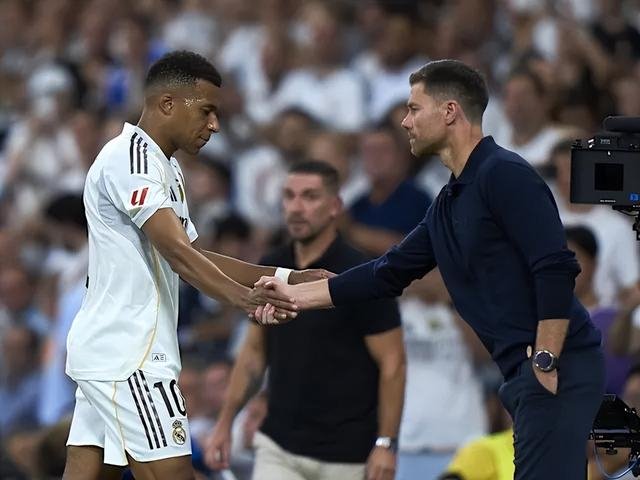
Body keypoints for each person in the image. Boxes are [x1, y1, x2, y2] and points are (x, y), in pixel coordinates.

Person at [254, 60, 605, 480]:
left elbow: (555, 266)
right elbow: (386, 273)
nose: (405, 122)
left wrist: (545, 360)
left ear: (450, 111)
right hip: (526, 372)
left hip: (556, 364)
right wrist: (293, 294)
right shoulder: (449, 201)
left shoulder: (505, 173)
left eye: (413, 109)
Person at [62, 50, 328, 480]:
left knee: (88, 473)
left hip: (113, 350)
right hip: (132, 355)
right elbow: (178, 253)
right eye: (206, 110)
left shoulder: (164, 166)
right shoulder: (130, 159)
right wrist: (244, 299)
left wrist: (289, 277)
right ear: (168, 103)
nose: (215, 125)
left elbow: (195, 253)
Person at [206, 161, 405, 480]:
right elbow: (254, 354)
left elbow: (393, 363)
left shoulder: (362, 274)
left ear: (335, 206)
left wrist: (387, 443)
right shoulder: (272, 266)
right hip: (279, 448)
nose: (296, 208)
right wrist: (225, 421)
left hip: (348, 455)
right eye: (289, 196)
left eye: (310, 196)